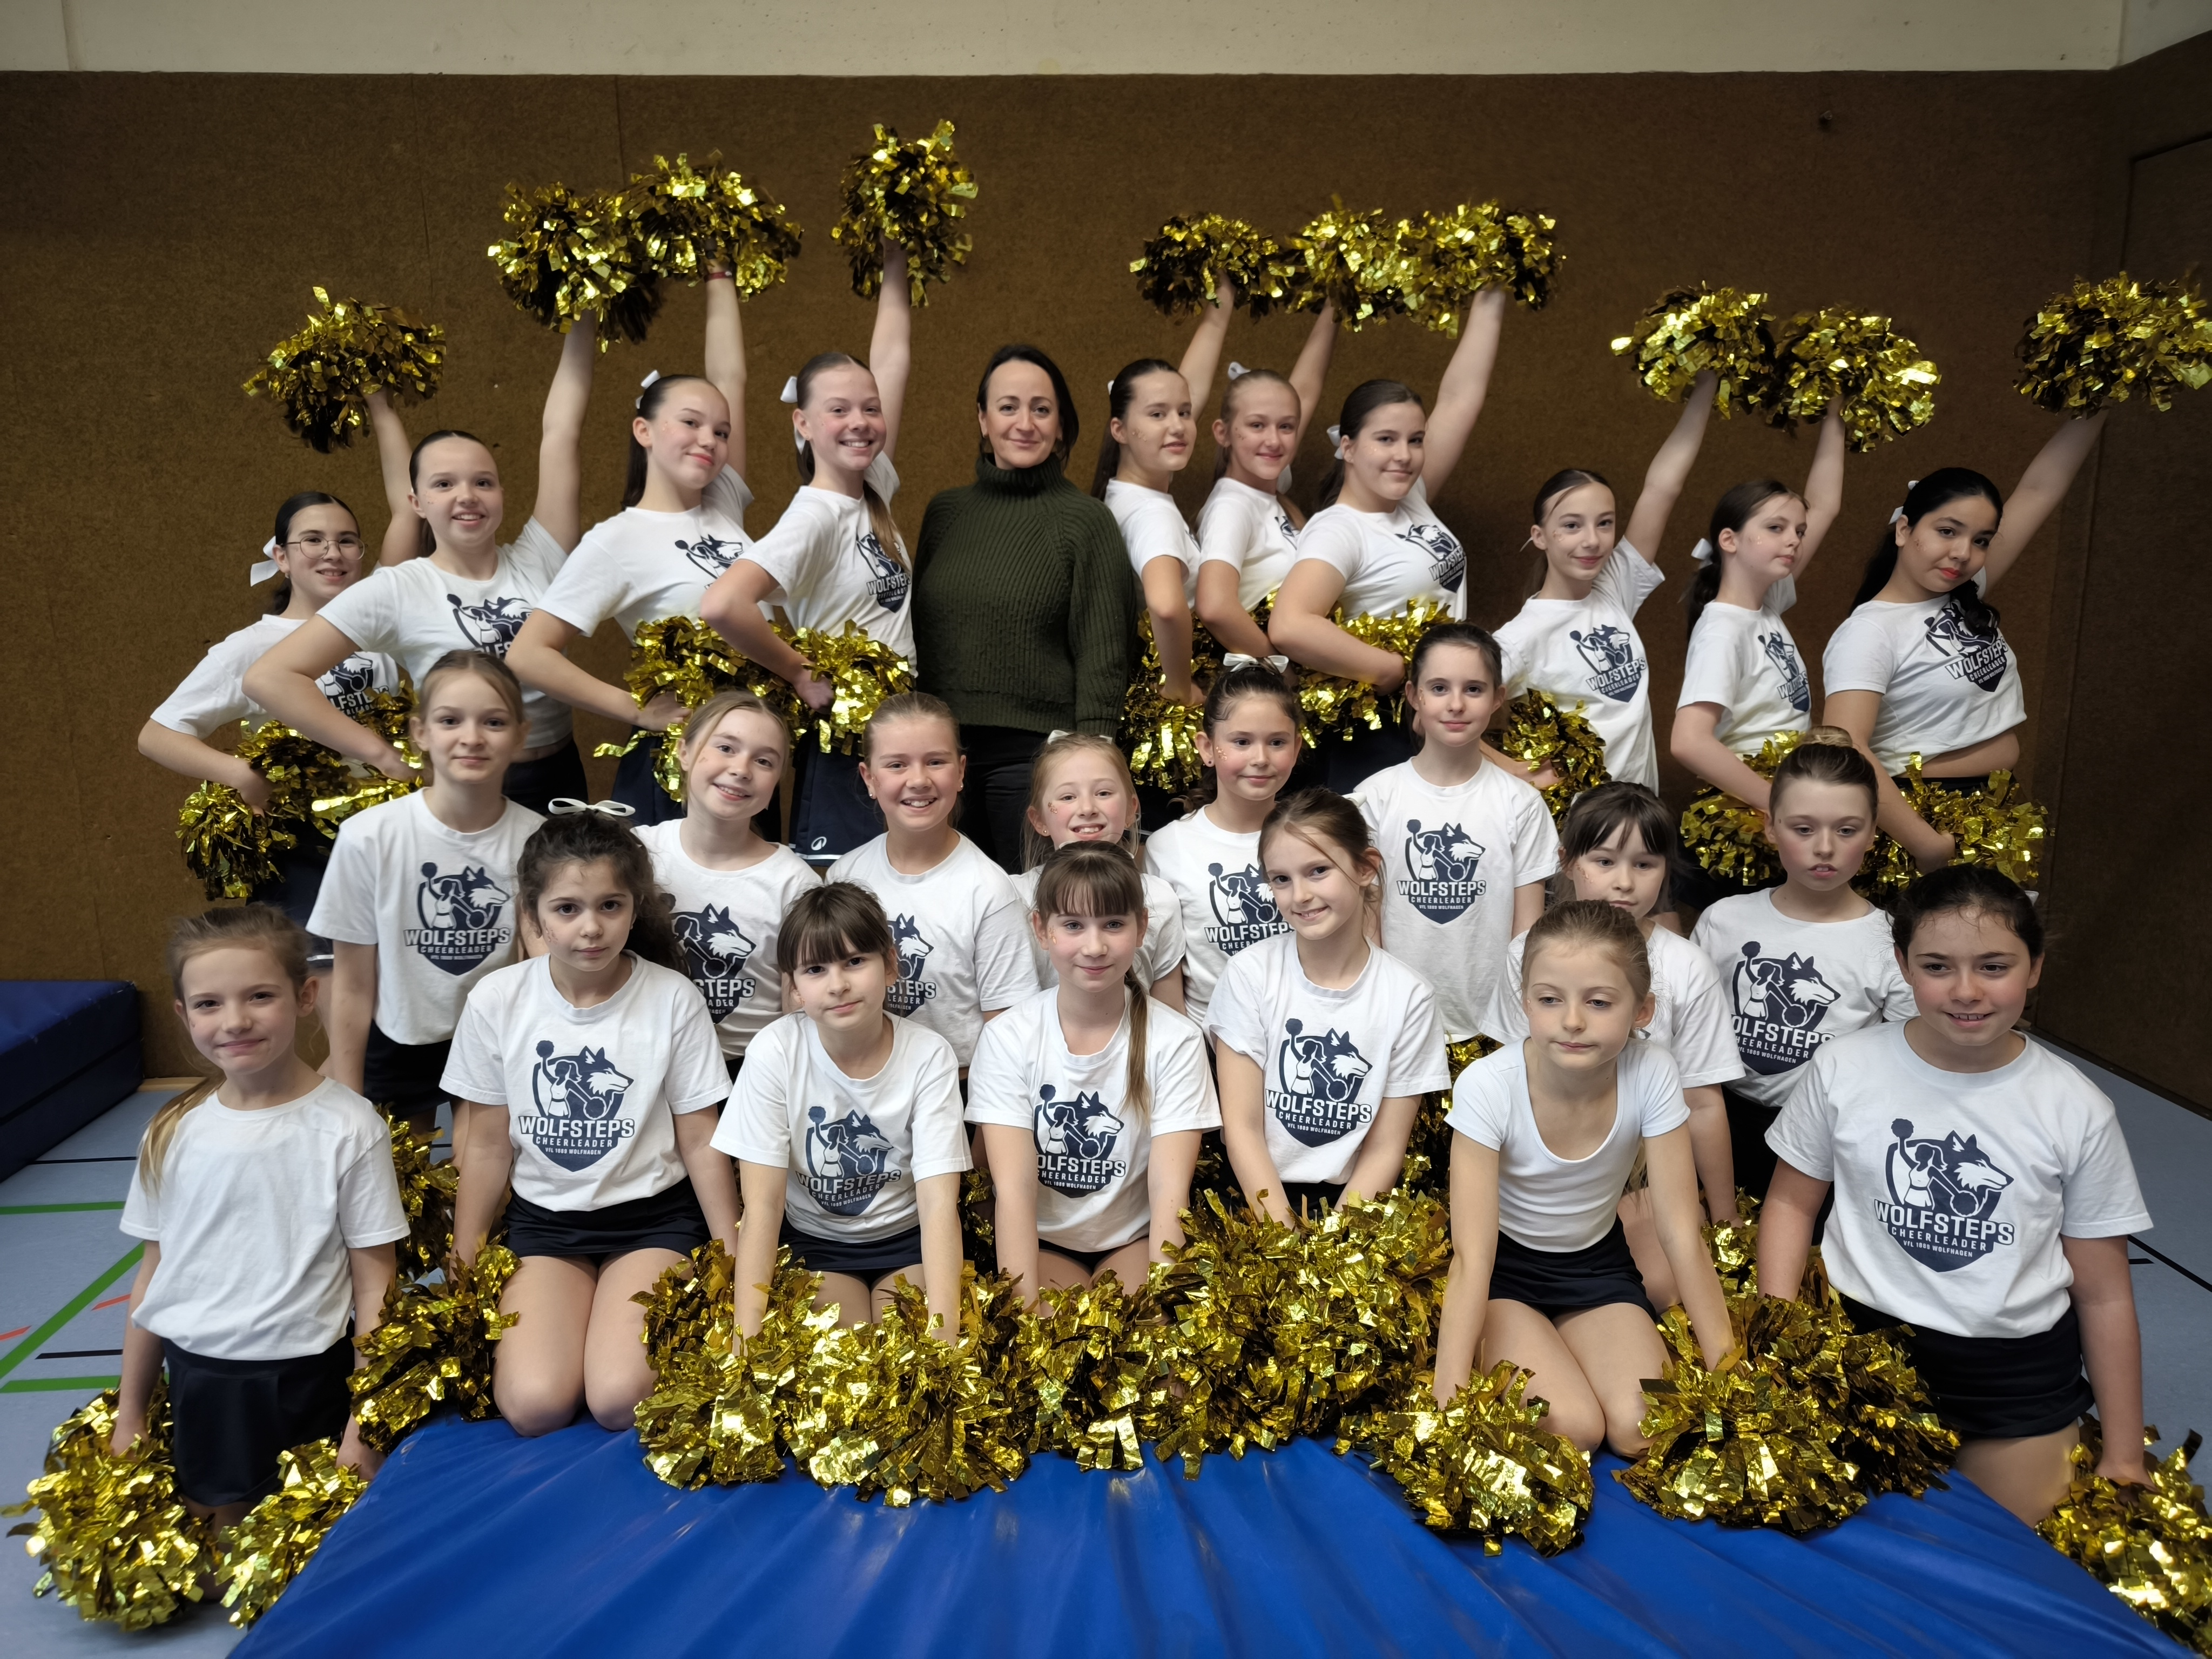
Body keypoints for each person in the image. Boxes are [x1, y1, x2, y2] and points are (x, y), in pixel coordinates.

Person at [1761, 866, 2149, 1523]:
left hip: (2010, 1377)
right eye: (1937, 967)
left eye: (1994, 966)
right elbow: (1789, 1205)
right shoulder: (1844, 1066)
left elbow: (2105, 1292)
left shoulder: (2076, 1109)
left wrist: (2123, 1452)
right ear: (1902, 966)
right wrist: (1777, 1346)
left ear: (2035, 968)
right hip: (1864, 1353)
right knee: (1838, 1538)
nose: (1966, 992)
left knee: (2002, 1559)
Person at [444, 805, 739, 1437]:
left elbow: (699, 1136)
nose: (591, 928)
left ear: (636, 908)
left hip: (653, 1220)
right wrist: (466, 1251)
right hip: (546, 1226)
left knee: (617, 1397)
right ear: (533, 916)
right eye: (567, 909)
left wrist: (730, 1251)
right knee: (534, 1404)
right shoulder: (498, 1001)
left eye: (611, 905)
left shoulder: (671, 998)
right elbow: (489, 1145)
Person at [112, 906, 404, 1525]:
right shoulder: (172, 1131)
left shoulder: (350, 1128)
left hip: (306, 1380)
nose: (235, 1021)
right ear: (182, 1015)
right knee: (219, 1571)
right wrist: (131, 1414)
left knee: (310, 1566)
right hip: (201, 1381)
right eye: (210, 1004)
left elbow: (375, 1282)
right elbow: (152, 1277)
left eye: (260, 996)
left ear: (305, 997)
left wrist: (364, 1419)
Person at [244, 319, 599, 813]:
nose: (466, 497)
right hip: (468, 789)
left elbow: (561, 434)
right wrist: (379, 755)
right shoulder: (399, 588)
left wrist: (582, 316)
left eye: (483, 482)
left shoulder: (540, 554)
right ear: (416, 502)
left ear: (501, 493)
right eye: (444, 485)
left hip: (561, 777)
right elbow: (271, 677)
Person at [1431, 901, 1735, 1453]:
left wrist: (1729, 1375)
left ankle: (1569, 1344)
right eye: (1550, 1000)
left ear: (1641, 1010)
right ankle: (1533, 1344)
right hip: (1505, 1275)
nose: (1572, 1021)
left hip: (1597, 1269)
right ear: (1525, 1003)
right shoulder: (1487, 1086)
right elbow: (1471, 1258)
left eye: (1598, 1002)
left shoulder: (1653, 1072)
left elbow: (1679, 1235)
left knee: (1643, 1428)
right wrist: (1448, 1406)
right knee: (1573, 1425)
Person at [509, 264, 751, 823]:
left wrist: (719, 270)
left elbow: (730, 378)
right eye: (689, 423)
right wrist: (637, 710)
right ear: (644, 431)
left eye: (720, 432)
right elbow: (527, 654)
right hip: (673, 764)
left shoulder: (724, 502)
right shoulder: (615, 540)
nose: (709, 441)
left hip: (743, 758)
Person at [699, 242, 917, 859]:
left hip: (895, 728)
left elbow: (893, 361)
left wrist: (896, 260)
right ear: (803, 423)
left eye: (869, 409)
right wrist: (797, 672)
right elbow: (724, 605)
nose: (861, 422)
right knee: (847, 893)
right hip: (847, 735)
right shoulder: (812, 515)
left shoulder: (873, 485)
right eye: (839, 410)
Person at [1822, 416, 2105, 873]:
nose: (1962, 553)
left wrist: (2100, 398)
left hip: (1991, 805)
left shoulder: (1964, 590)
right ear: (1903, 530)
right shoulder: (1870, 631)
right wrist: (1927, 844)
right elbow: (1845, 747)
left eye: (1981, 540)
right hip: (1923, 818)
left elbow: (2040, 489)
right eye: (1947, 531)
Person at [140, 491, 401, 962]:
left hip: (388, 835)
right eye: (313, 540)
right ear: (281, 557)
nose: (332, 553)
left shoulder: (380, 631)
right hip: (304, 845)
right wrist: (240, 775)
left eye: (346, 541)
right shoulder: (251, 647)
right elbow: (157, 734)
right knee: (326, 982)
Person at [1266, 289, 1508, 790]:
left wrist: (1493, 289)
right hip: (1379, 734)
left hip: (1433, 723)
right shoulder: (1340, 528)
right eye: (1386, 440)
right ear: (1348, 448)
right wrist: (1396, 671)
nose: (1404, 455)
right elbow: (1289, 624)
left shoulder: (1411, 498)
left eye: (1415, 440)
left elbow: (1462, 396)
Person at [909, 343, 1139, 870]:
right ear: (983, 420)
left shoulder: (1085, 522)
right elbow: (922, 637)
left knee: (1036, 908)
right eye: (1008, 407)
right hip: (943, 760)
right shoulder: (945, 513)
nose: (1025, 422)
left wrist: (1087, 770)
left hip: (1035, 758)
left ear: (1061, 425)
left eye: (1042, 408)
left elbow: (1104, 656)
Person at [1487, 784, 1743, 1242]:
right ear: (1568, 863)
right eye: (1604, 861)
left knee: (1659, 1281)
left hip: (1646, 1171)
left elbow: (1703, 1103)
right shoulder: (1526, 952)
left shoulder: (1688, 966)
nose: (1624, 881)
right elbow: (1508, 1073)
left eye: (1644, 864)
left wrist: (1726, 1220)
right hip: (1541, 1165)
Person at [716, 881, 970, 1337]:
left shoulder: (930, 1056)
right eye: (815, 969)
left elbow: (937, 1204)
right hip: (816, 1244)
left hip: (909, 1240)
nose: (838, 984)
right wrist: (745, 1337)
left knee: (904, 1361)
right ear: (793, 988)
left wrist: (945, 1332)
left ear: (891, 965)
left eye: (855, 961)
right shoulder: (774, 1051)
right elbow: (763, 1205)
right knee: (843, 1364)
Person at [308, 651, 542, 1141]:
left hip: (491, 1039)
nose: (472, 737)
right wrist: (349, 1095)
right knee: (400, 1185)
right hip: (398, 1037)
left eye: (494, 722)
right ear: (421, 733)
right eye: (450, 720)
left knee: (482, 1183)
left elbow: (538, 966)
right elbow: (349, 983)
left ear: (522, 735)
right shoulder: (368, 837)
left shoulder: (538, 841)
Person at [968, 844, 1218, 1298]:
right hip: (1041, 1240)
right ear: (1041, 929)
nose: (1095, 946)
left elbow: (1168, 1191)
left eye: (1114, 924)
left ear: (1142, 927)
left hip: (1133, 1240)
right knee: (1053, 1349)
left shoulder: (1177, 1040)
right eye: (1073, 925)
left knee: (1143, 1350)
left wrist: (1161, 1308)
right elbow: (1015, 1190)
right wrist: (1025, 1311)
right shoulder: (1008, 1037)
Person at [1690, 731, 1914, 1199]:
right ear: (1771, 827)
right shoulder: (1724, 921)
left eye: (1847, 830)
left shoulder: (1890, 942)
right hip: (1715, 1123)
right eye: (1804, 828)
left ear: (1874, 832)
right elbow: (1685, 1034)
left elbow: (1901, 1068)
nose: (1825, 848)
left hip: (1825, 1141)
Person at [1209, 789, 1447, 1222]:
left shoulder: (1410, 997)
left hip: (1352, 1209)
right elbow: (1242, 1129)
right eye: (1281, 879)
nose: (1299, 895)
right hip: (1256, 1199)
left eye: (1318, 871)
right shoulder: (1249, 974)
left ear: (1365, 868)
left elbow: (1384, 1148)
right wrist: (1282, 1237)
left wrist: (1332, 1252)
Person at [1495, 371, 1718, 797]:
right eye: (1572, 526)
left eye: (1605, 523)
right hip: (1580, 837)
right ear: (1540, 537)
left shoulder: (1613, 587)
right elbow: (1430, 720)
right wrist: (1513, 770)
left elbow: (1664, 487)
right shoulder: (1518, 639)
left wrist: (1708, 381)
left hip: (1640, 823)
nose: (1592, 541)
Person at [1670, 406, 1847, 895]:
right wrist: (1777, 803)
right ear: (1729, 540)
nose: (1792, 540)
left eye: (1798, 532)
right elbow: (1689, 740)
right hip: (1747, 824)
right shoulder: (1724, 629)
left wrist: (1837, 412)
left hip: (1780, 808)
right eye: (1775, 529)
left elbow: (1825, 505)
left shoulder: (1767, 602)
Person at [1352, 622, 1555, 1047]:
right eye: (1440, 688)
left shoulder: (1521, 805)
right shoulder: (1374, 799)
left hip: (1493, 1027)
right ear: (1414, 696)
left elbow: (1527, 933)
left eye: (1475, 689)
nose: (1457, 704)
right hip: (1398, 1025)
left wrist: (1513, 1028)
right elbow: (1366, 922)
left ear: (1498, 698)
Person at [824, 693, 1032, 1071]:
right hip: (861, 1088)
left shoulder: (989, 890)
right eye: (897, 765)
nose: (918, 780)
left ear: (961, 771)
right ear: (869, 777)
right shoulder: (845, 876)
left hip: (961, 1089)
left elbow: (1008, 1032)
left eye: (936, 762)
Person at [634, 690, 819, 1080]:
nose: (742, 768)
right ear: (684, 752)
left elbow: (799, 1006)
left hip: (748, 1075)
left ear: (776, 784)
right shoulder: (637, 854)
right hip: (645, 1065)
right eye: (726, 747)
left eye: (764, 760)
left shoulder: (793, 882)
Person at [1092, 273, 1236, 716]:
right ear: (1120, 430)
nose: (1177, 426)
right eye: (1157, 415)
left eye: (1185, 413)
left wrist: (1221, 305)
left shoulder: (1121, 495)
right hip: (1171, 706)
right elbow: (1167, 605)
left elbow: (1184, 386)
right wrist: (1181, 690)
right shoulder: (1151, 514)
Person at [1144, 663, 1300, 1026]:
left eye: (1276, 742)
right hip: (1211, 1048)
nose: (1260, 759)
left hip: (1302, 1030)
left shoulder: (1315, 838)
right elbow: (1167, 967)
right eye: (1242, 742)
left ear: (1295, 749)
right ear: (1207, 748)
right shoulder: (1168, 847)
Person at [1193, 307, 1340, 663]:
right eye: (1257, 425)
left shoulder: (1271, 494)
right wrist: (1280, 669)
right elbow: (1214, 606)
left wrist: (1336, 304)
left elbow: (1304, 389)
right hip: (1256, 692)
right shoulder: (1233, 506)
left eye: (1286, 427)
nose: (1274, 441)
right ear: (1223, 433)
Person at [1013, 733, 1186, 1008]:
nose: (1087, 809)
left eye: (1103, 793)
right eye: (1068, 797)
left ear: (1132, 809)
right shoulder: (1014, 898)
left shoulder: (1160, 898)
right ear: (1039, 820)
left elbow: (1172, 1010)